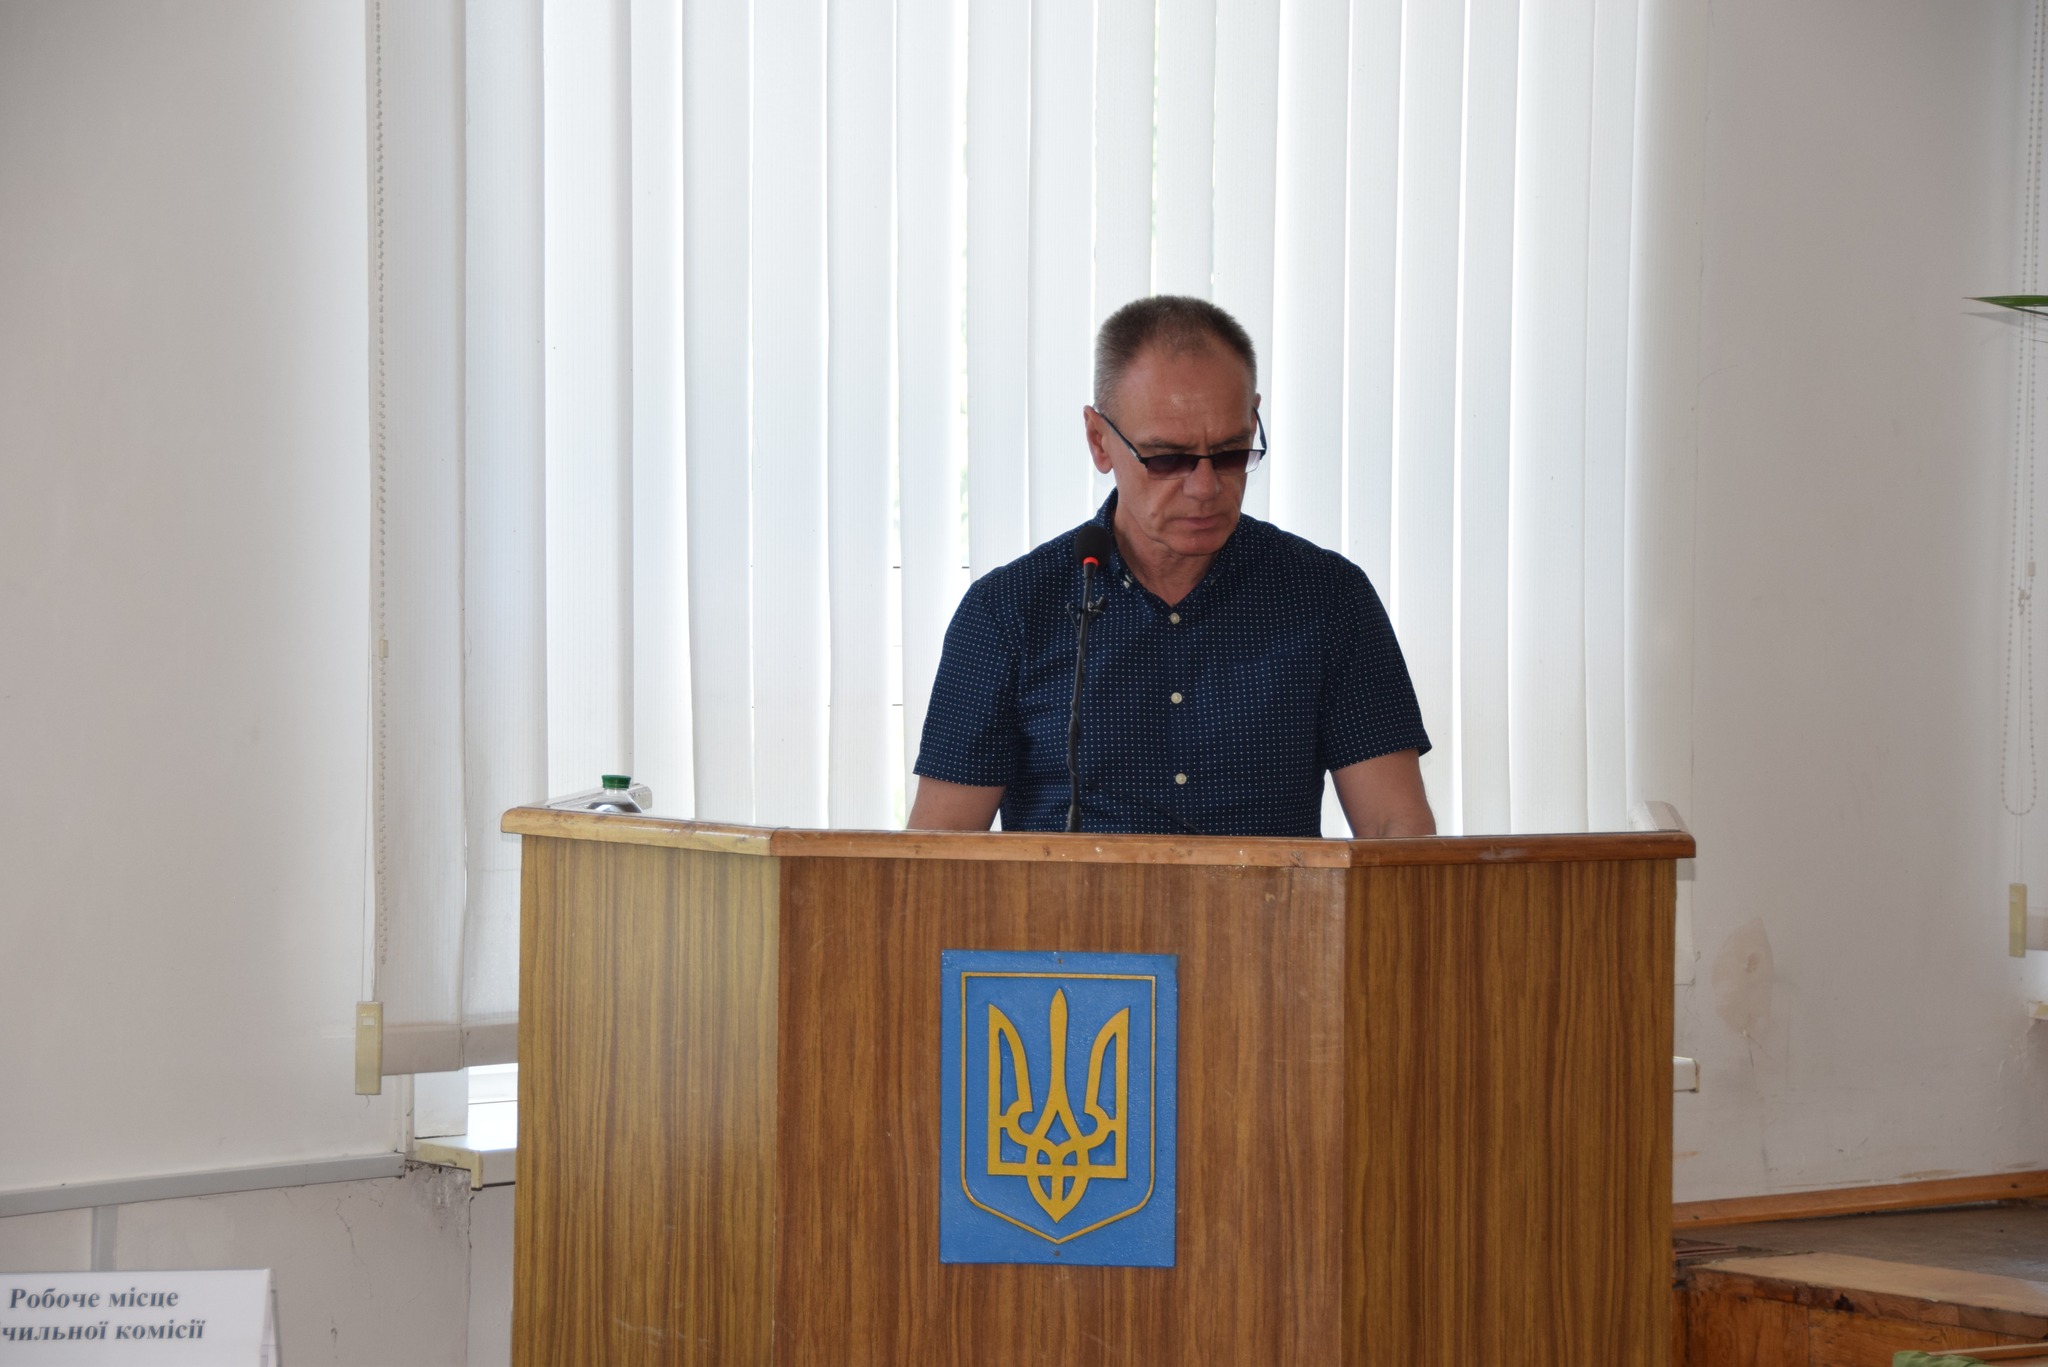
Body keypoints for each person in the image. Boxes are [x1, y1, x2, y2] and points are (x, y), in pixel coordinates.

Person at [908, 295, 1435, 838]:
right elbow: (940, 852)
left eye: (1231, 452)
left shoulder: (1328, 597)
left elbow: (1396, 830)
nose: (1205, 488)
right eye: (1167, 459)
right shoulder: (1007, 610)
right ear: (1099, 440)